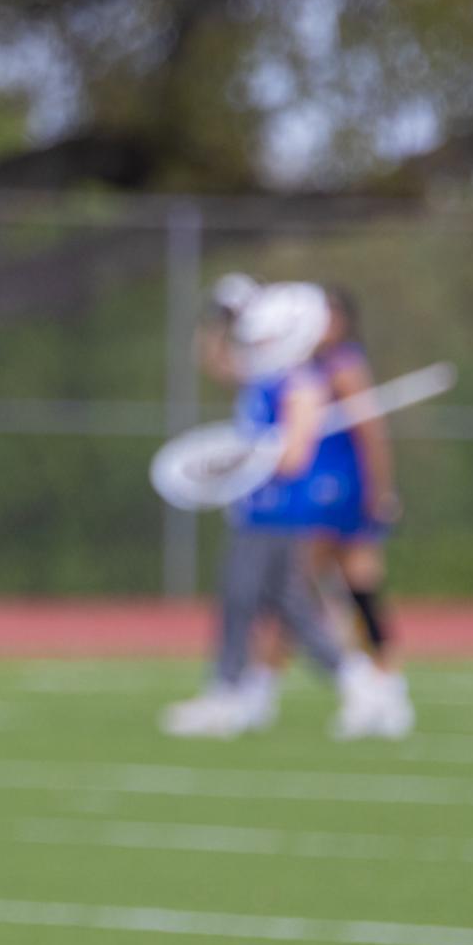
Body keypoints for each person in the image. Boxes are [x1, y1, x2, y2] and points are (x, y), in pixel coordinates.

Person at [160, 281, 376, 738]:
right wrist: (216, 323)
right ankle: (356, 681)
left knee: (245, 597)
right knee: (286, 606)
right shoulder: (265, 378)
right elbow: (216, 362)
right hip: (257, 509)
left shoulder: (301, 382)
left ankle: (229, 692)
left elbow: (294, 456)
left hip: (281, 512)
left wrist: (246, 457)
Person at [304, 284, 412, 738]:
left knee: (356, 591)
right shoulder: (305, 368)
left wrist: (381, 489)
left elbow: (371, 432)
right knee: (328, 593)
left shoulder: (343, 365)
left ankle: (384, 686)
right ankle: (374, 686)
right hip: (316, 493)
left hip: (343, 493)